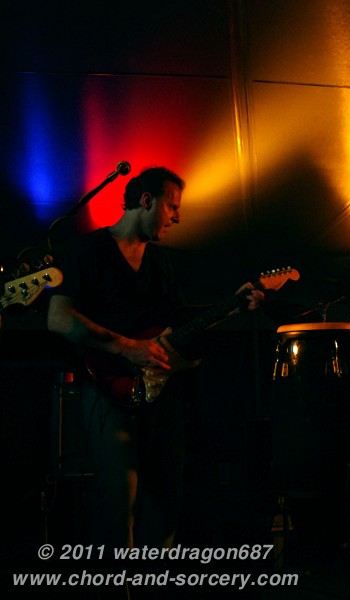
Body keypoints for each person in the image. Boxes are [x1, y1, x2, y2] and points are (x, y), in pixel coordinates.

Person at [46, 166, 264, 552]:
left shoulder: (161, 264)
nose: (177, 217)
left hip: (162, 397)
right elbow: (58, 318)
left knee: (167, 503)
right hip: (107, 391)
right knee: (118, 502)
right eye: (172, 207)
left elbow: (179, 328)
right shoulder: (87, 250)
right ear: (147, 201)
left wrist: (232, 307)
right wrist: (127, 347)